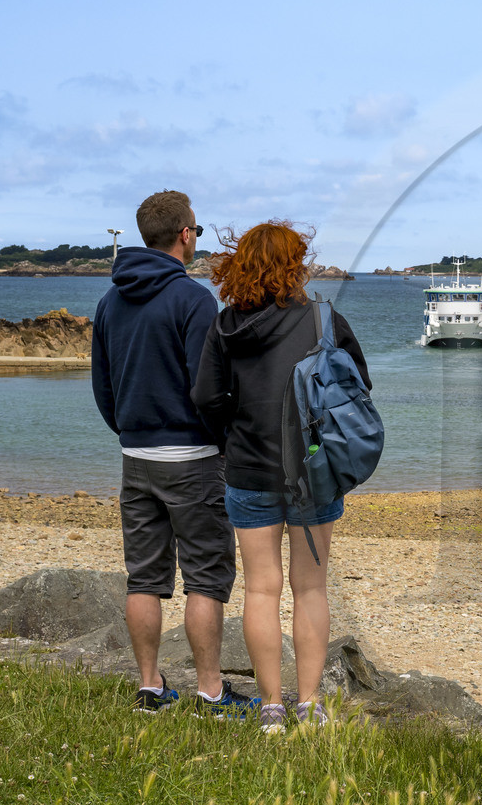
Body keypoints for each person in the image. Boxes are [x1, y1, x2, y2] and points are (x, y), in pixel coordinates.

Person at [192, 221, 371, 733]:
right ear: (296, 265)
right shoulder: (322, 318)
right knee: (311, 588)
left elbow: (206, 398)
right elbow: (358, 387)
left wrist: (235, 433)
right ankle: (309, 703)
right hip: (314, 470)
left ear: (239, 264)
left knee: (261, 590)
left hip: (248, 469)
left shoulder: (226, 325)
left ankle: (271, 707)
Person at [91, 190, 254, 717]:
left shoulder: (110, 300)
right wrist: (223, 441)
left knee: (145, 577)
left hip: (136, 455)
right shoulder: (194, 299)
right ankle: (210, 692)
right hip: (194, 457)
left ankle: (150, 688)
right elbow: (208, 388)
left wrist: (131, 429)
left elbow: (103, 384)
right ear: (185, 234)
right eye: (198, 232)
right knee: (206, 577)